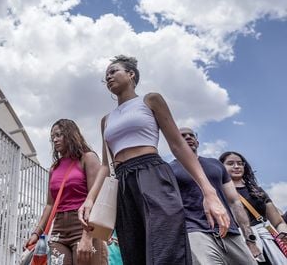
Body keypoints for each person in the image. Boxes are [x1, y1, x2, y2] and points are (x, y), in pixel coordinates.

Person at [78, 55, 230, 264]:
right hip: (123, 181)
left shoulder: (150, 100)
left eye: (114, 71)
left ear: (131, 74)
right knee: (133, 250)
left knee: (165, 244)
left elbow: (177, 145)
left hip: (153, 173)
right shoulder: (106, 120)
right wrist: (89, 200)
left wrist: (209, 192)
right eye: (106, 76)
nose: (109, 77)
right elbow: (106, 166)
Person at [24, 119, 108, 264]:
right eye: (52, 138)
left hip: (83, 225)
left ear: (71, 134)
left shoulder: (88, 158)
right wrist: (36, 234)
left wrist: (87, 236)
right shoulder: (54, 168)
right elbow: (50, 206)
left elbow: (96, 198)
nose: (55, 140)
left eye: (59, 135)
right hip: (59, 230)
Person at [170, 127, 258, 264]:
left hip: (230, 231)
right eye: (182, 135)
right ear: (174, 142)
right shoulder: (169, 170)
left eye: (191, 135)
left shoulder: (215, 164)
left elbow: (235, 201)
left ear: (197, 142)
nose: (188, 137)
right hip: (195, 231)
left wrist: (249, 239)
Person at [220, 151, 287, 264]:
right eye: (230, 163)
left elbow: (278, 222)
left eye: (240, 163)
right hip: (237, 244)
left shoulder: (257, 191)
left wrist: (283, 233)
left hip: (268, 243)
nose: (236, 166)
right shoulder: (217, 192)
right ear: (221, 167)